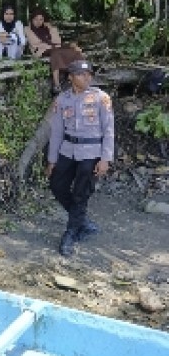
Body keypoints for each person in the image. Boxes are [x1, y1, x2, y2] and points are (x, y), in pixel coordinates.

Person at [46, 60, 114, 257]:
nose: (87, 77)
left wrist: (105, 159)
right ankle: (82, 221)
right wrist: (52, 160)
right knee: (57, 186)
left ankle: (71, 233)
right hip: (67, 150)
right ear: (71, 76)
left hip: (91, 152)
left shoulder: (101, 98)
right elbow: (56, 131)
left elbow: (109, 131)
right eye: (82, 74)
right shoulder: (62, 99)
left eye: (89, 74)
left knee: (80, 193)